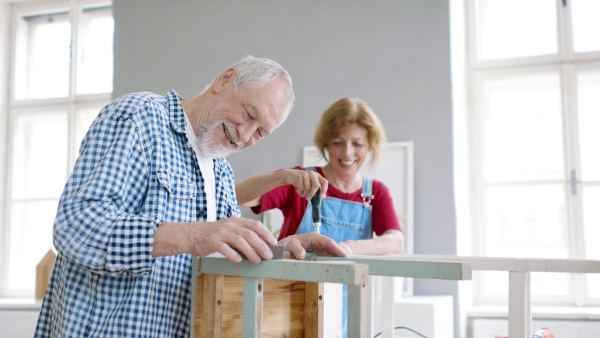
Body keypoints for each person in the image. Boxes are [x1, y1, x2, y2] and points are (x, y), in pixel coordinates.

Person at [34, 56, 347, 338]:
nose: (246, 134)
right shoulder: (141, 117)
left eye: (261, 133)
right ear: (225, 79)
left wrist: (281, 249)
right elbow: (75, 225)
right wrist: (191, 235)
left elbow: (218, 255)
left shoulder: (221, 172)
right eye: (249, 113)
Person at [236, 97, 405, 337]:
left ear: (369, 146)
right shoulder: (301, 180)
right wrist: (281, 177)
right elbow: (236, 196)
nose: (348, 152)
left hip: (349, 313)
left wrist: (349, 248)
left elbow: (395, 241)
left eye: (357, 144)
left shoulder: (375, 192)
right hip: (288, 307)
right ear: (325, 143)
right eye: (338, 142)